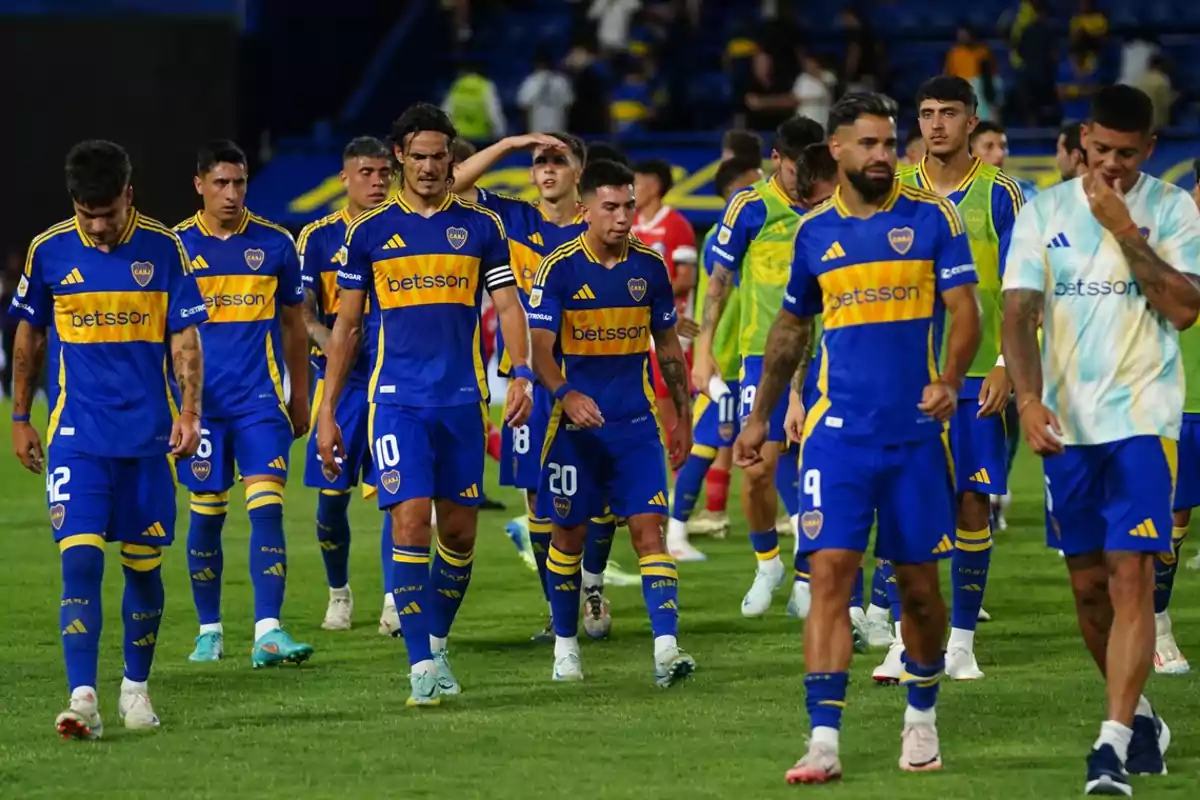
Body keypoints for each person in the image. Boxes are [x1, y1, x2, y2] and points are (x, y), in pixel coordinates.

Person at [736, 91, 981, 782]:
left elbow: (966, 313)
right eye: (868, 144)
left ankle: (922, 715)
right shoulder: (814, 233)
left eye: (887, 142)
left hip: (913, 438)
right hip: (836, 437)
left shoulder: (933, 218)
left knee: (919, 591)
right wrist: (761, 414)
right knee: (830, 580)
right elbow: (790, 330)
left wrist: (952, 376)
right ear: (836, 151)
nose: (883, 155)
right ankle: (823, 740)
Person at [1001, 83, 1199, 795]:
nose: (1112, 165)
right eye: (1101, 150)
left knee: (1131, 578)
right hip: (1068, 430)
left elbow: (1183, 311)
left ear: (1149, 149)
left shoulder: (1172, 209)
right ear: (1084, 138)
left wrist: (1124, 229)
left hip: (1145, 423)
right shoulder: (1043, 211)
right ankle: (1139, 713)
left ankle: (1109, 747)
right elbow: (1018, 313)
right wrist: (1026, 398)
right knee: (1088, 592)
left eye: (1127, 153)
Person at [317, 103, 533, 707]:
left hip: (463, 402)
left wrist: (520, 374)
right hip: (396, 403)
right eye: (420, 157)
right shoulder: (368, 234)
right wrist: (329, 410)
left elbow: (510, 306)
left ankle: (435, 641)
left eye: (441, 156)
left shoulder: (482, 228)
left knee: (459, 536)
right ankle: (419, 667)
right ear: (399, 161)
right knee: (410, 519)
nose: (432, 167)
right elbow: (347, 328)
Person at [10, 139, 207, 738]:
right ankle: (84, 700)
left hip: (148, 438)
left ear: (130, 193)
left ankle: (136, 689)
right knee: (81, 562)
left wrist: (191, 413)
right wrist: (20, 417)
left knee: (144, 569)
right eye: (86, 214)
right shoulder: (48, 250)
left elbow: (186, 341)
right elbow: (28, 339)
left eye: (108, 213)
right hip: (78, 437)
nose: (97, 226)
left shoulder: (165, 249)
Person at [527, 157, 695, 686]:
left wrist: (683, 415)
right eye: (611, 207)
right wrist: (565, 392)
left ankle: (666, 649)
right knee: (569, 537)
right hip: (573, 429)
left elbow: (668, 346)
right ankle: (565, 647)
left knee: (650, 533)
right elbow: (538, 350)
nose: (623, 217)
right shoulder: (559, 268)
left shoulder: (649, 268)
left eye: (628, 206)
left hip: (634, 423)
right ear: (587, 210)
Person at [450, 130, 619, 642]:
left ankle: (590, 584)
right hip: (529, 380)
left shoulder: (599, 226)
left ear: (579, 174)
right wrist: (509, 144)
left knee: (602, 493)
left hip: (592, 373)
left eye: (559, 161)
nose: (547, 169)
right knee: (537, 497)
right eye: (540, 161)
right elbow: (451, 185)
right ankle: (560, 606)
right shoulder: (513, 218)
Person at [887, 76, 1025, 683]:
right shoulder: (892, 191)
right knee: (904, 506)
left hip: (976, 377)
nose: (936, 123)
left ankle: (963, 641)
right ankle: (905, 638)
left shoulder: (1002, 194)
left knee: (972, 504)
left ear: (973, 121)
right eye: (926, 112)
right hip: (904, 379)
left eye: (949, 112)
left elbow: (1026, 290)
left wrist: (1006, 366)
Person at [174, 141, 313, 668]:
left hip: (259, 402)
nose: (232, 194)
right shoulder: (176, 246)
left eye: (240, 183)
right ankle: (210, 631)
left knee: (267, 511)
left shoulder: (276, 243)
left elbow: (293, 327)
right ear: (200, 185)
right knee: (206, 517)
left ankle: (268, 630)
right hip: (201, 408)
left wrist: (299, 395)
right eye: (221, 184)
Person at [692, 115, 827, 618]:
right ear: (777, 161)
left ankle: (809, 575)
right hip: (761, 356)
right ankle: (768, 560)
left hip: (823, 354)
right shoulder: (750, 207)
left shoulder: (830, 205)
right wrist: (704, 350)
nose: (806, 177)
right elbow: (719, 280)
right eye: (798, 168)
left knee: (822, 469)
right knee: (758, 468)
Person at [297, 136, 394, 633]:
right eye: (366, 173)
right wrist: (325, 337)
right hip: (342, 385)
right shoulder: (316, 238)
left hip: (395, 381)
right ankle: (339, 592)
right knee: (331, 501)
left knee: (399, 494)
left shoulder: (402, 231)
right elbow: (301, 308)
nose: (376, 182)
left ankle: (395, 599)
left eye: (383, 173)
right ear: (344, 178)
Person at [667, 154, 763, 560]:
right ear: (735, 187)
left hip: (746, 354)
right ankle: (674, 532)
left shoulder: (751, 227)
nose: (762, 185)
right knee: (708, 443)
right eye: (754, 179)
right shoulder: (729, 233)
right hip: (726, 357)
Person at [632, 158, 698, 436]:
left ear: (654, 185)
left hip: (671, 323)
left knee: (668, 399)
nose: (631, 190)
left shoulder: (676, 224)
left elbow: (686, 278)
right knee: (651, 403)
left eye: (635, 183)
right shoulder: (631, 225)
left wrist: (648, 295)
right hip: (638, 322)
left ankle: (684, 470)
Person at [970, 120, 1040, 201]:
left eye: (1003, 147)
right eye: (989, 146)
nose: (1000, 154)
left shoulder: (1026, 192)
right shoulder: (955, 192)